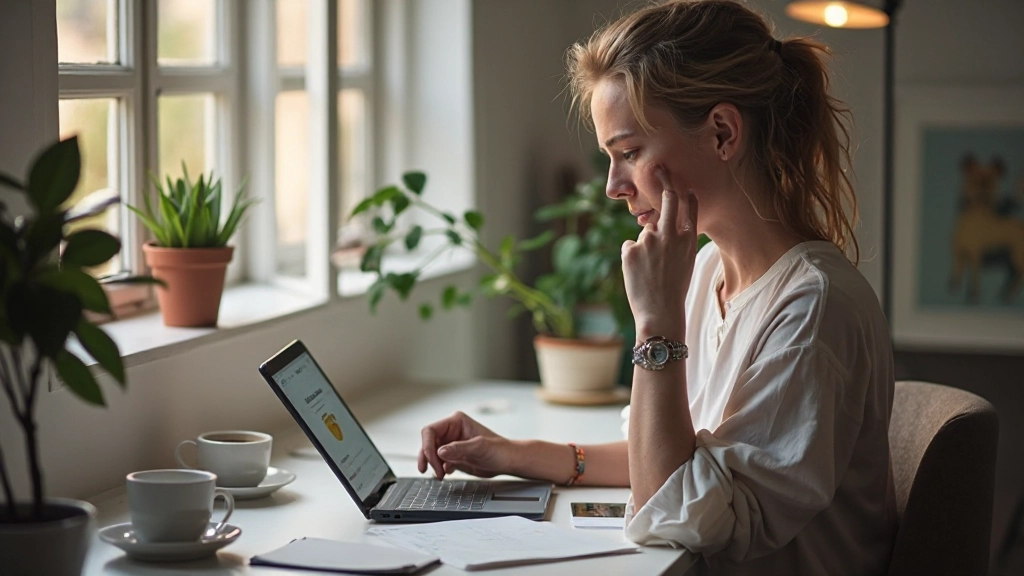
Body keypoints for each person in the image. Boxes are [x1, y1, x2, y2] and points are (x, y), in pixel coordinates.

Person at [417, 0, 897, 573]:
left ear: (722, 132)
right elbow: (667, 461)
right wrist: (510, 453)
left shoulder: (813, 307)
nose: (613, 187)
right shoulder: (710, 269)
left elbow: (680, 511)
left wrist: (656, 323)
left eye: (630, 153)